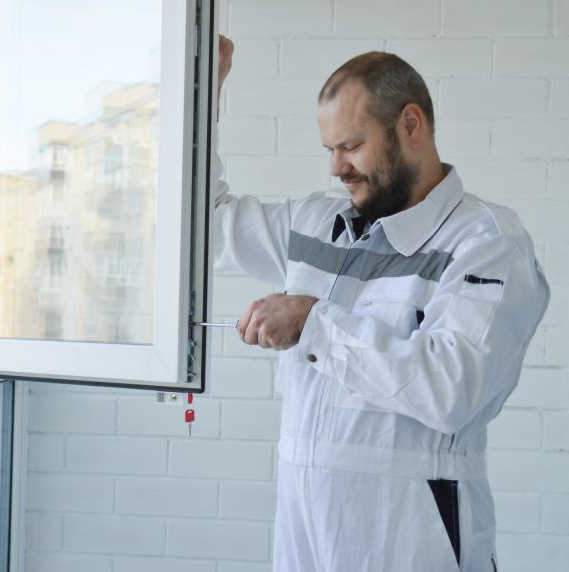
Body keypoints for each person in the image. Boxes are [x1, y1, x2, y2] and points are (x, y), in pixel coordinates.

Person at [213, 35, 550, 571]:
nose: (336, 168)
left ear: (410, 126)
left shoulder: (487, 243)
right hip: (305, 535)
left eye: (350, 146)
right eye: (329, 150)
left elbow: (453, 388)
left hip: (411, 539)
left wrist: (312, 322)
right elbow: (204, 226)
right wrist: (202, 94)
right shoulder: (315, 222)